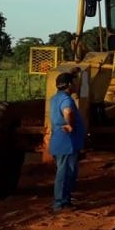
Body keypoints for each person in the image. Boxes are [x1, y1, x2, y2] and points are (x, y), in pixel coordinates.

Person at [49, 71, 86, 212]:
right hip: (67, 142)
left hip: (59, 140)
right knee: (65, 174)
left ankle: (65, 201)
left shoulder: (55, 98)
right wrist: (71, 125)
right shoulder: (66, 99)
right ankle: (60, 204)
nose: (77, 85)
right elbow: (68, 112)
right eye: (75, 82)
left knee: (65, 172)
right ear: (69, 84)